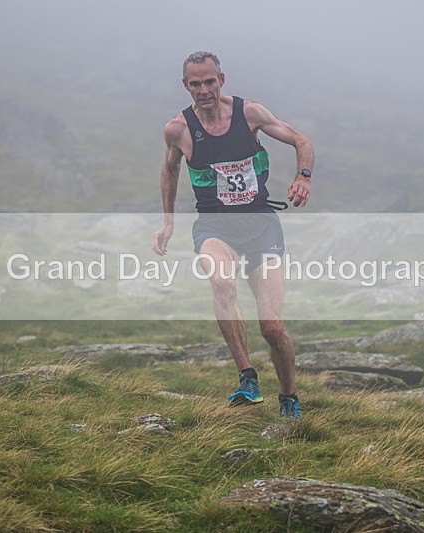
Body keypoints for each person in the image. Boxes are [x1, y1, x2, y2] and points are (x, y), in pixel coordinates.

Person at [151, 51, 314, 419]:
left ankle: (289, 397)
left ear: (221, 80)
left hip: (261, 227)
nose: (204, 90)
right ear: (186, 86)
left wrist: (303, 177)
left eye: (210, 81)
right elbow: (169, 170)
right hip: (214, 226)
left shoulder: (249, 114)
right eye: (196, 84)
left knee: (272, 328)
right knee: (222, 282)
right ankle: (247, 378)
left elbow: (301, 140)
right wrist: (167, 222)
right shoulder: (177, 129)